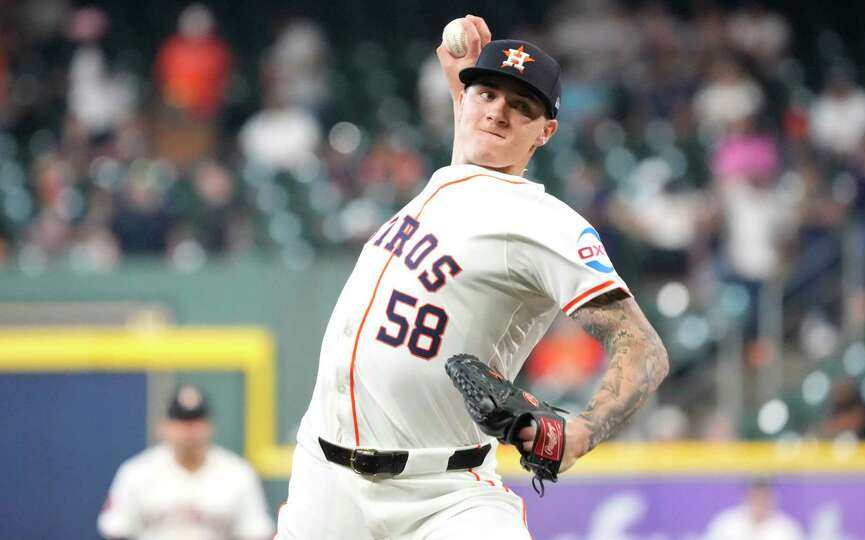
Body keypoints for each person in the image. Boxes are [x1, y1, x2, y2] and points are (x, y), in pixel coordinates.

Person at [276, 15, 669, 539]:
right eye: (487, 95)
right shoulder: (454, 175)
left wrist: (578, 432)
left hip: (444, 498)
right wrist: (462, 71)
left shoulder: (541, 220)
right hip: (325, 482)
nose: (499, 113)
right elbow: (474, 124)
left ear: (545, 132)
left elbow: (643, 348)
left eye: (522, 107)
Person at [98, 385, 274, 540]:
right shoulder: (136, 473)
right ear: (163, 426)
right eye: (181, 422)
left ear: (209, 426)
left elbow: (255, 533)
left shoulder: (238, 474)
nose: (189, 430)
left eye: (196, 422)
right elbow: (117, 530)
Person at [704, 478, 804, 540]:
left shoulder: (786, 528)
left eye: (764, 497)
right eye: (755, 497)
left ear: (773, 498)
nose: (759, 503)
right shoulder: (726, 524)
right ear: (746, 497)